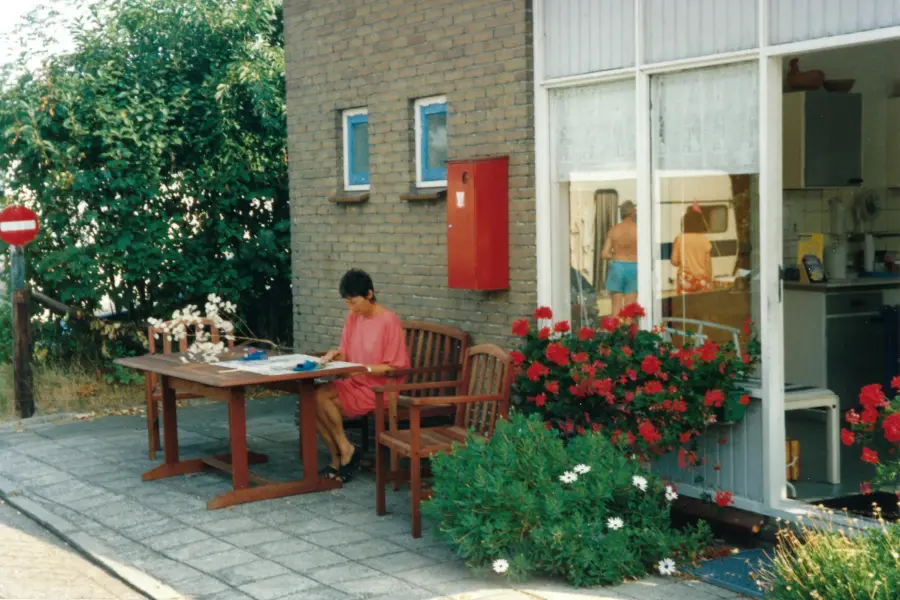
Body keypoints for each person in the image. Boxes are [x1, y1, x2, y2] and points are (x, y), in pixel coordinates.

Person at [314, 269, 410, 482]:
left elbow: (394, 367)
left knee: (322, 402)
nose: (351, 308)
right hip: (356, 381)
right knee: (313, 399)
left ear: (369, 294)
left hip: (381, 388)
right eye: (347, 303)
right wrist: (333, 354)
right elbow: (345, 352)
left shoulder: (388, 320)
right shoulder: (353, 317)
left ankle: (344, 453)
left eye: (354, 302)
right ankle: (341, 454)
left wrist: (363, 369)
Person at [600, 200, 638, 317]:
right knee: (629, 308)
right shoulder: (638, 230)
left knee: (615, 308)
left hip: (617, 267)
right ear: (633, 213)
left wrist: (615, 255)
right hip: (633, 267)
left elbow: (604, 254)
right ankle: (628, 333)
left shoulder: (614, 230)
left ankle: (615, 333)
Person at [671, 206, 713, 294]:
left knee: (686, 307)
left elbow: (674, 261)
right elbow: (708, 264)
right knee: (703, 306)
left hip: (685, 280)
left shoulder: (679, 239)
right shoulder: (704, 240)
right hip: (702, 280)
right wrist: (709, 280)